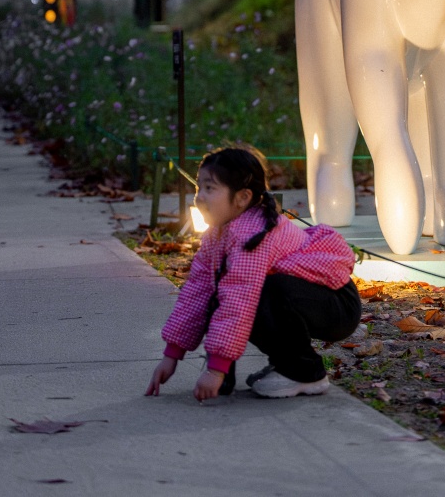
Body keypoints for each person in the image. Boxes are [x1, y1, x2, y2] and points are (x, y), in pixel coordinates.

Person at [145, 145, 361, 401]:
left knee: (255, 293)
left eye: (210, 188)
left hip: (336, 304)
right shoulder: (219, 233)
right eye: (199, 187)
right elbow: (197, 292)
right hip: (302, 295)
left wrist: (215, 370)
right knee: (221, 288)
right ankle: (280, 365)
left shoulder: (253, 235)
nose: (200, 196)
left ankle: (304, 372)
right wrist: (172, 355)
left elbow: (239, 301)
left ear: (242, 198)